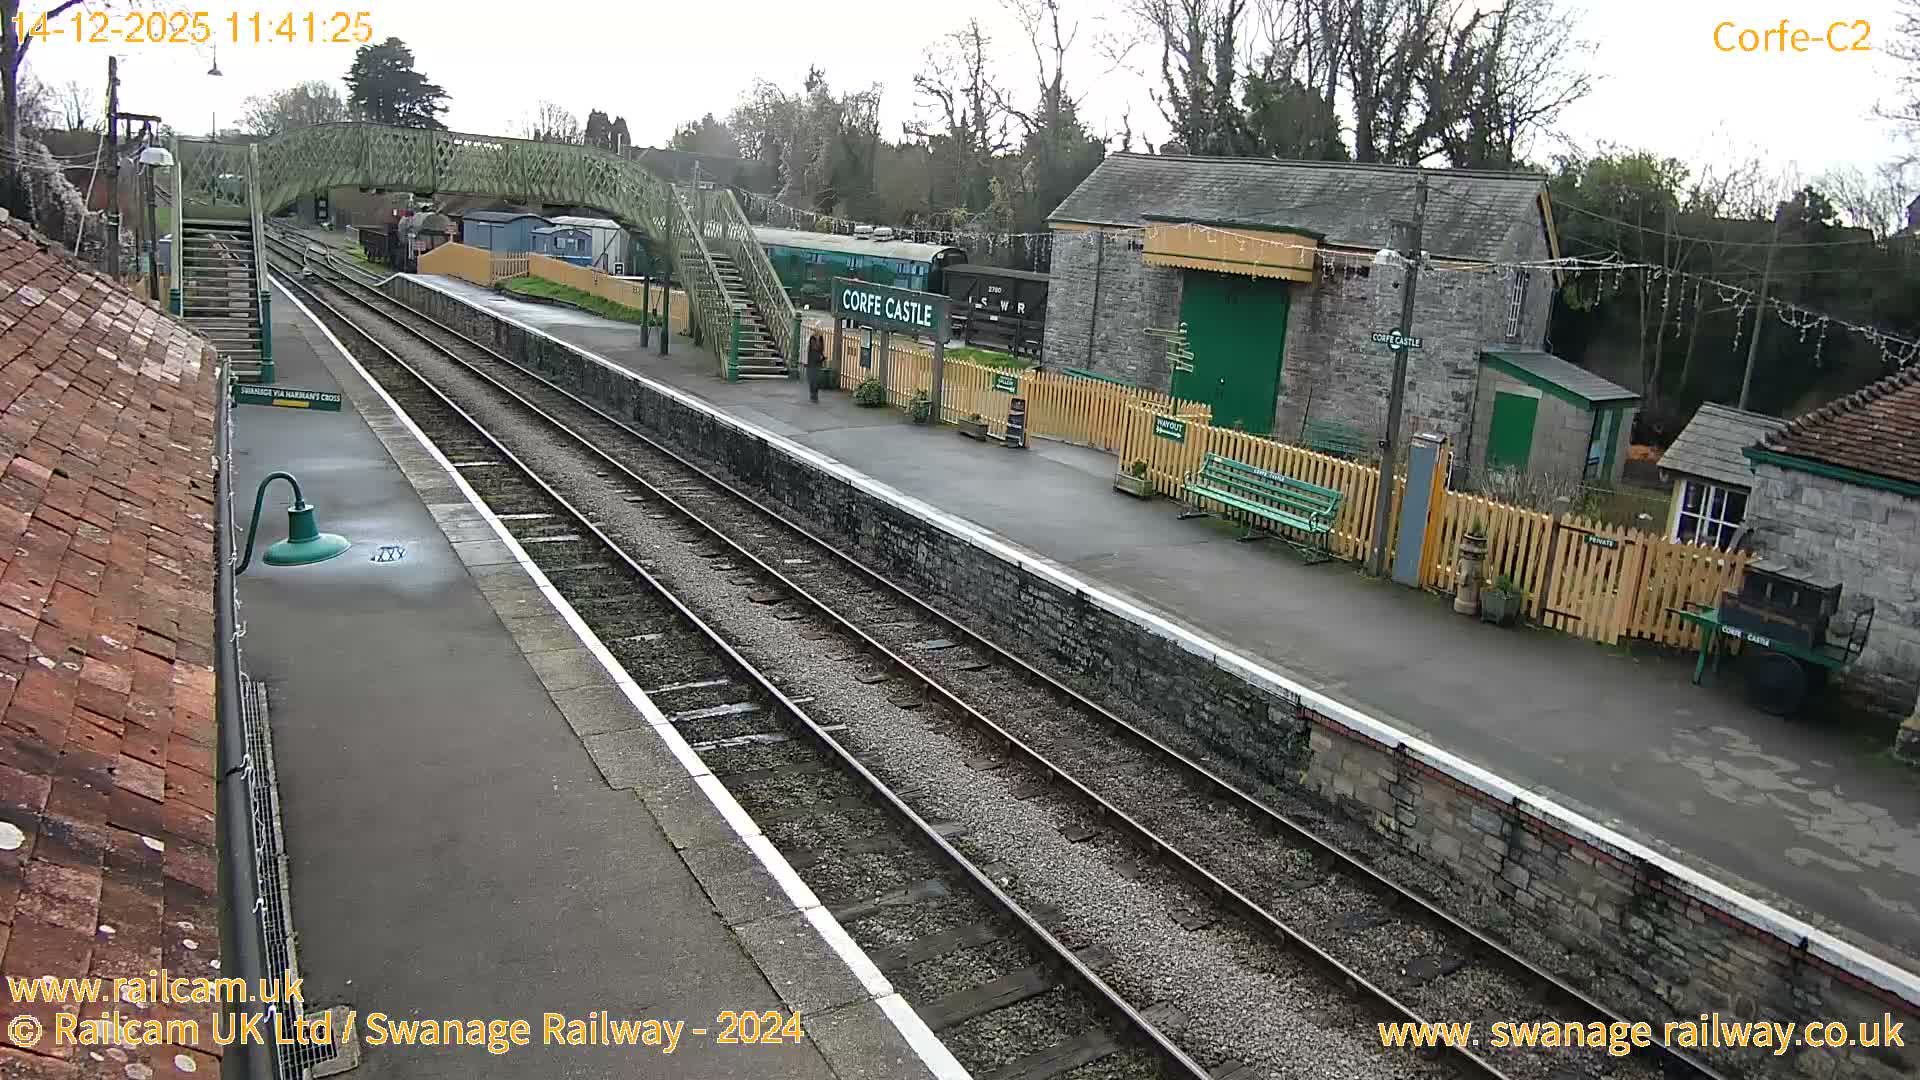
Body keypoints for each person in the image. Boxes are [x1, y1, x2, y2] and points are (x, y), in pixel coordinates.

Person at [805, 331, 826, 402]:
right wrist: (821, 358)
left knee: (816, 381)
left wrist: (822, 358)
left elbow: (820, 350)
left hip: (816, 365)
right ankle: (813, 395)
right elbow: (815, 353)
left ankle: (814, 395)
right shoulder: (813, 341)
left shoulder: (819, 341)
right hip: (813, 365)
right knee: (813, 380)